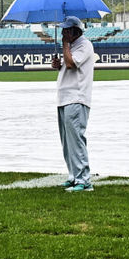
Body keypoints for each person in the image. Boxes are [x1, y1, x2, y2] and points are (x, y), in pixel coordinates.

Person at [50, 15, 95, 192]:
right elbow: (65, 65)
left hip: (76, 97)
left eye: (66, 30)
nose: (62, 33)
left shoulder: (84, 45)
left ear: (74, 31)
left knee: (76, 139)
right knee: (67, 141)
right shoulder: (73, 46)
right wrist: (56, 64)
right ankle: (73, 175)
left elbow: (70, 64)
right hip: (64, 98)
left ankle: (84, 180)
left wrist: (65, 45)